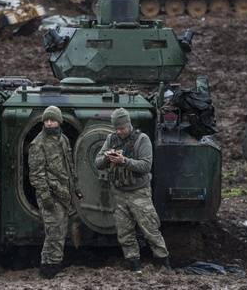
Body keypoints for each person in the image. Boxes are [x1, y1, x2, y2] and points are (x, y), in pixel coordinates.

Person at [95, 107, 172, 272]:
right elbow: (98, 162)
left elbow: (145, 166)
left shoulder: (141, 139)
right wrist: (106, 158)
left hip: (138, 192)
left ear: (128, 125)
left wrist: (124, 161)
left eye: (121, 128)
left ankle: (164, 264)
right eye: (116, 128)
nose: (119, 131)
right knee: (124, 233)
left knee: (151, 230)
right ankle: (134, 266)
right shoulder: (111, 138)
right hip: (118, 192)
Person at [28, 106, 83, 279]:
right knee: (54, 233)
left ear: (59, 121)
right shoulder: (38, 144)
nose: (49, 123)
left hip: (64, 193)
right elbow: (36, 175)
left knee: (58, 232)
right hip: (51, 194)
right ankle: (53, 268)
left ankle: (47, 267)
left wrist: (76, 189)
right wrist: (46, 198)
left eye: (52, 120)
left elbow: (69, 167)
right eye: (46, 120)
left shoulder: (63, 139)